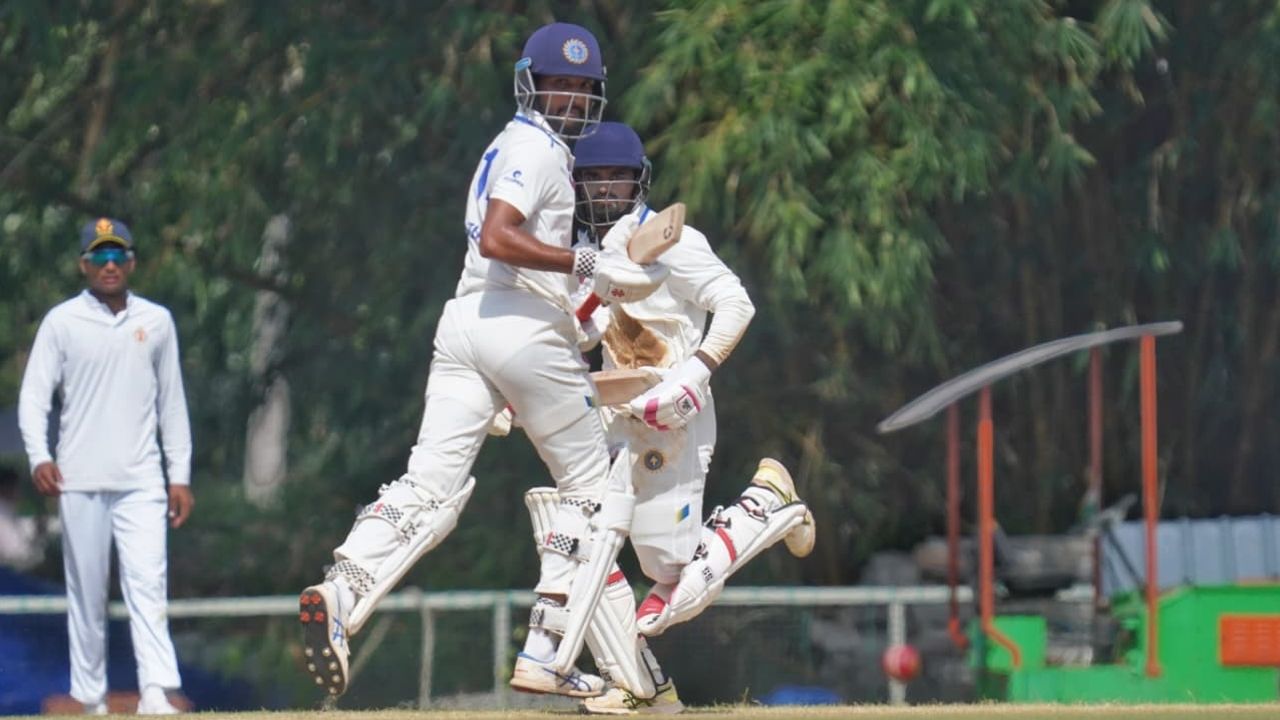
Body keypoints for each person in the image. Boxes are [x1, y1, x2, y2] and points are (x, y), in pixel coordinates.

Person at [297, 22, 669, 700]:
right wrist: (588, 261)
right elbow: (502, 238)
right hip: (518, 328)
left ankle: (341, 592)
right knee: (596, 494)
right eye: (560, 83)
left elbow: (523, 264)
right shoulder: (538, 149)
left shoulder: (508, 142)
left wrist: (595, 294)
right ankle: (549, 650)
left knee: (430, 488)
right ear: (532, 82)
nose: (570, 98)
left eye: (582, 88)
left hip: (470, 325)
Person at [565, 122, 817, 714]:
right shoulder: (579, 256)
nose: (605, 190)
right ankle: (640, 689)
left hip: (675, 419)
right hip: (616, 422)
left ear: (638, 182)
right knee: (577, 542)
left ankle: (766, 505)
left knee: (673, 577)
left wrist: (695, 372)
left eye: (617, 178)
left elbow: (735, 302)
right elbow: (574, 334)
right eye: (594, 178)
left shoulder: (669, 242)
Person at [18, 217, 195, 715]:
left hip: (143, 480)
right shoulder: (62, 322)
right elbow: (34, 399)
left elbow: (172, 405)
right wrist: (40, 457)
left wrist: (178, 475)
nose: (110, 264)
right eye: (99, 256)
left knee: (147, 586)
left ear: (133, 262)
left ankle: (157, 691)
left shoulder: (156, 321)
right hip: (80, 480)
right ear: (84, 265)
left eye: (118, 255)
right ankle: (90, 695)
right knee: (87, 595)